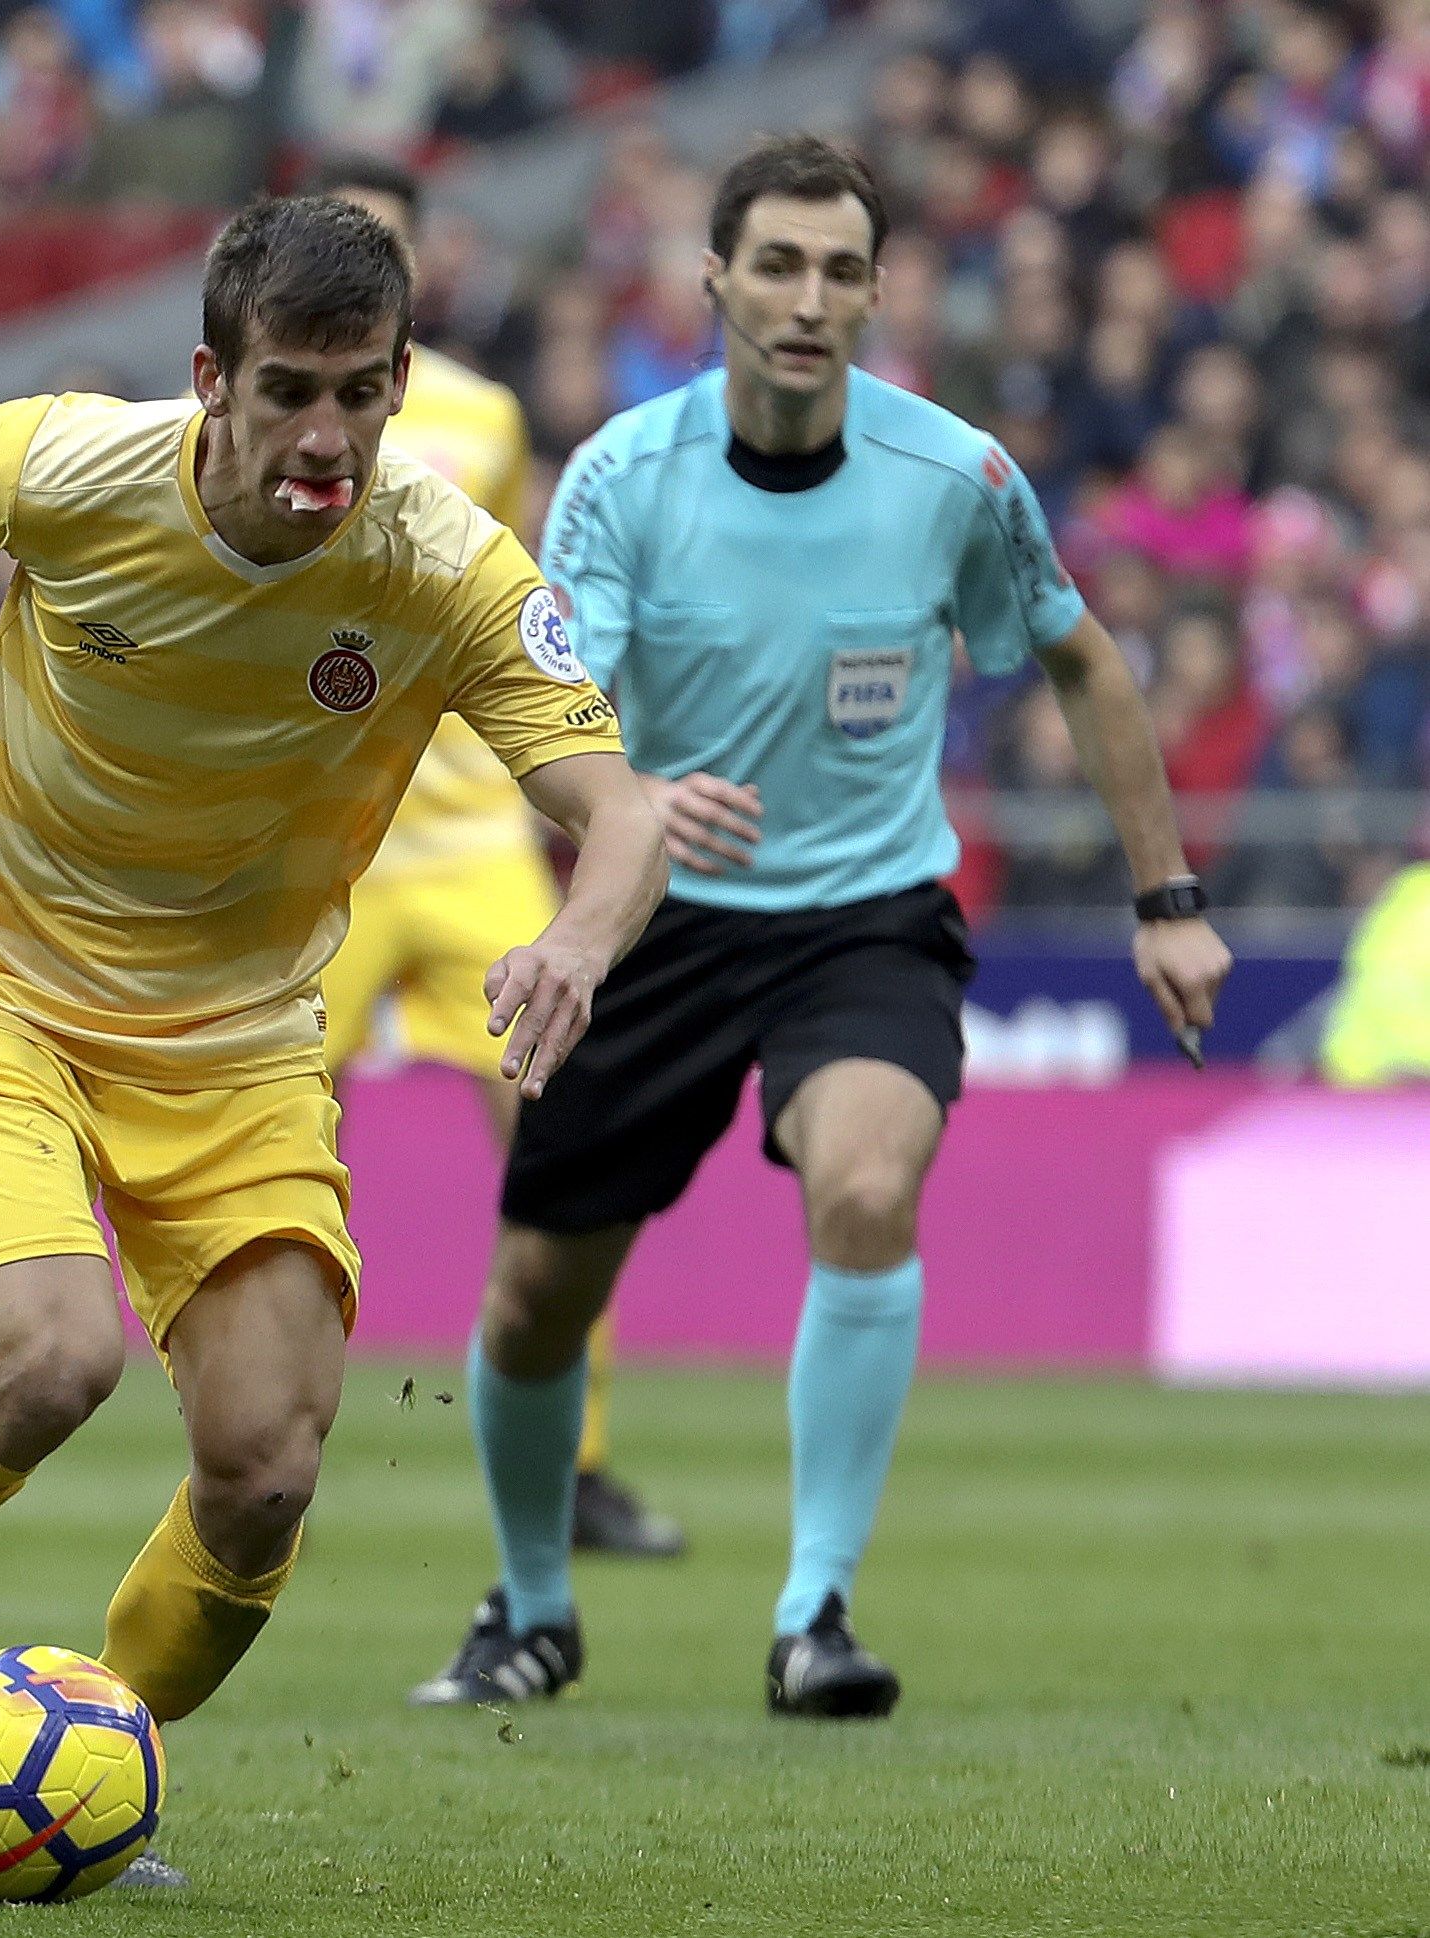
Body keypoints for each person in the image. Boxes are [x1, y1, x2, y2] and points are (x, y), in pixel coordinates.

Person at [0, 193, 668, 1866]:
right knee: (51, 1360)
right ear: (211, 378)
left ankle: (77, 1773)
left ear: (402, 380)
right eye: (288, 390)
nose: (325, 435)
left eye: (360, 390)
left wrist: (574, 933)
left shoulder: (444, 562)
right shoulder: (74, 464)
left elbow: (615, 815)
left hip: (238, 1041)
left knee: (265, 1468)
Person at [414, 134, 1233, 1719]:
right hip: (648, 925)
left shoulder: (954, 477)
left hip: (863, 917)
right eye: (775, 264)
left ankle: (813, 1614)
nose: (806, 298)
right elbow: (540, 716)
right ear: (714, 279)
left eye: (839, 268)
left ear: (876, 291)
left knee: (866, 1181)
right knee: (534, 1300)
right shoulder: (617, 479)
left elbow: (1083, 663)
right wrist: (632, 790)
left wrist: (1168, 902)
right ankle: (527, 1607)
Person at [307, 152, 684, 1564]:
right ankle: (265, 1424)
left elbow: (517, 611)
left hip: (466, 834)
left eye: (385, 249)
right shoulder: (255, 406)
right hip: (318, 848)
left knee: (559, 1130)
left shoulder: (479, 413)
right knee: (267, 1141)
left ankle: (570, 1459)